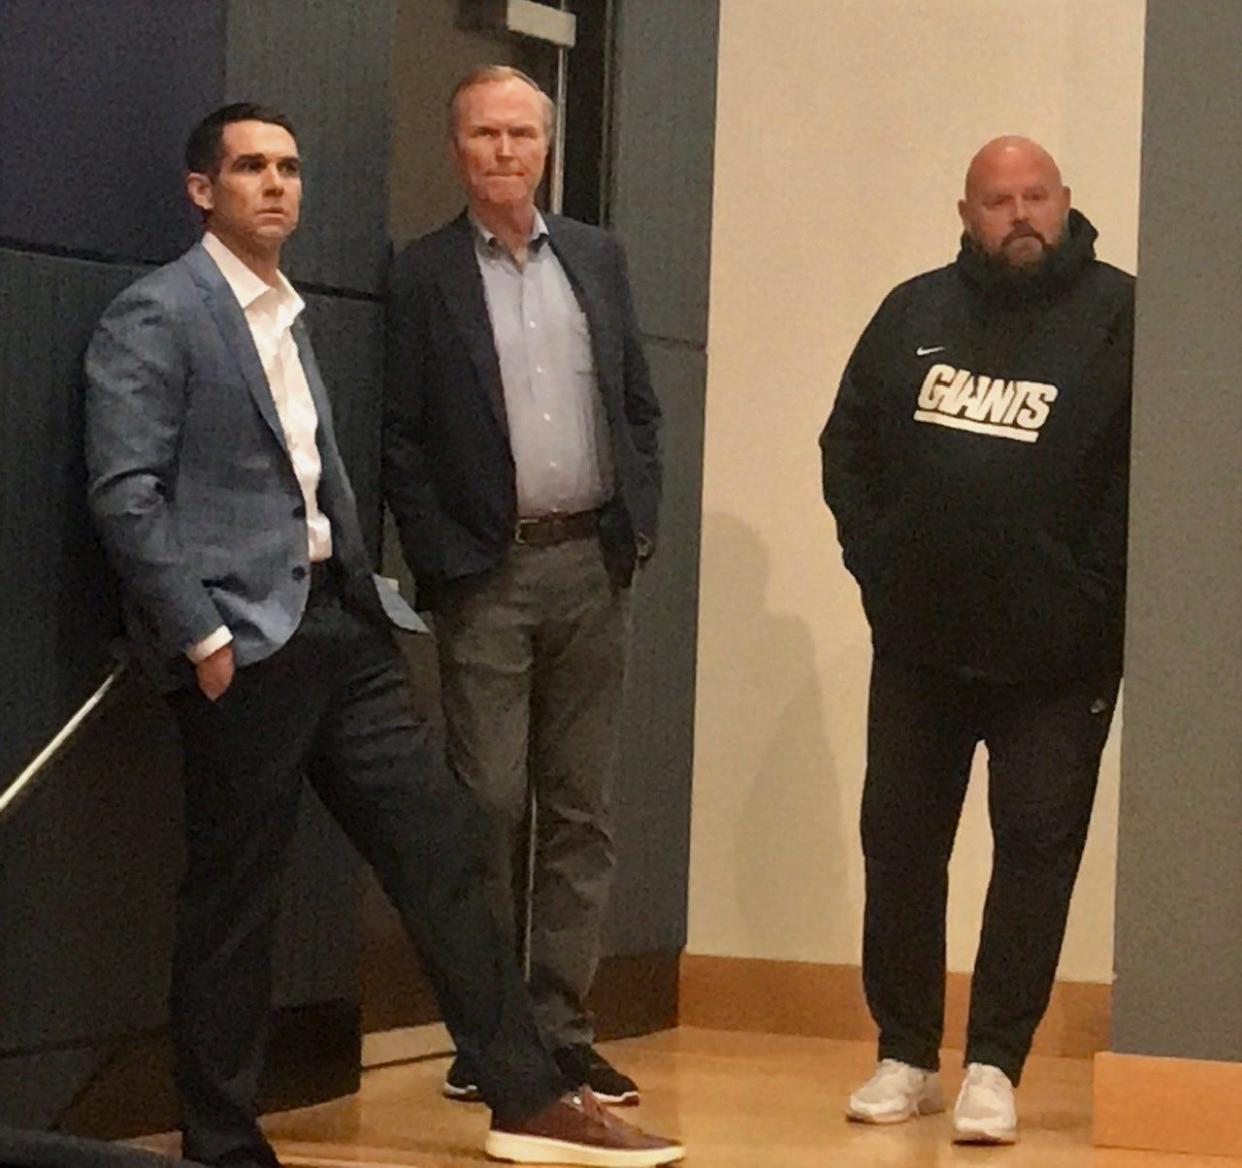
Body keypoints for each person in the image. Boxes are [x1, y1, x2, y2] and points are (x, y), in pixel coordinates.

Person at [84, 101, 682, 1168]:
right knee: (238, 900)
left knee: (444, 849)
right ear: (201, 189)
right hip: (242, 649)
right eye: (252, 167)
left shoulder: (289, 312)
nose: (277, 185)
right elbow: (127, 494)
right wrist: (203, 637)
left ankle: (528, 1095)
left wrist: (368, 594)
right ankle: (222, 1138)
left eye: (291, 167)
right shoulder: (157, 313)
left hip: (343, 630)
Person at [820, 136, 1133, 1145]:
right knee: (901, 845)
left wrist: (1096, 596)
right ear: (967, 213)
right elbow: (849, 444)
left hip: (1060, 659)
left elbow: (1152, 475)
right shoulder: (913, 312)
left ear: (1067, 201)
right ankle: (905, 1052)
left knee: (1036, 854)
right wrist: (879, 561)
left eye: (1035, 195)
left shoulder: (1126, 317)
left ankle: (995, 1064)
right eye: (998, 200)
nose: (1020, 215)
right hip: (919, 644)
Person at [383, 67, 660, 1107]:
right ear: (457, 149)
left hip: (593, 561)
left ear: (545, 147)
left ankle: (562, 1026)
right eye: (486, 135)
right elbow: (399, 437)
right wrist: (442, 558)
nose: (506, 152)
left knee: (580, 807)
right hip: (486, 576)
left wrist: (643, 524)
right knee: (487, 804)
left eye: (523, 135)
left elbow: (637, 402)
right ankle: (490, 1035)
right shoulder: (421, 276)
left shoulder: (596, 257)